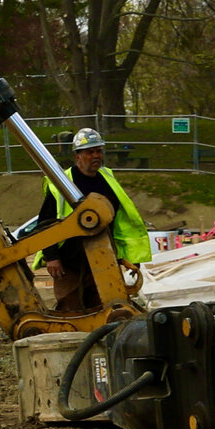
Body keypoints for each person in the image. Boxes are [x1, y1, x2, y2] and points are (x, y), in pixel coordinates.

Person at [34, 128, 150, 310]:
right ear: (77, 156)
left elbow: (120, 222)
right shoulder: (62, 183)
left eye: (98, 151)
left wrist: (128, 258)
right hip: (69, 261)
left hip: (103, 258)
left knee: (104, 306)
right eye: (90, 152)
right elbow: (45, 222)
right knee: (70, 307)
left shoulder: (108, 179)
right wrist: (52, 257)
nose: (96, 155)